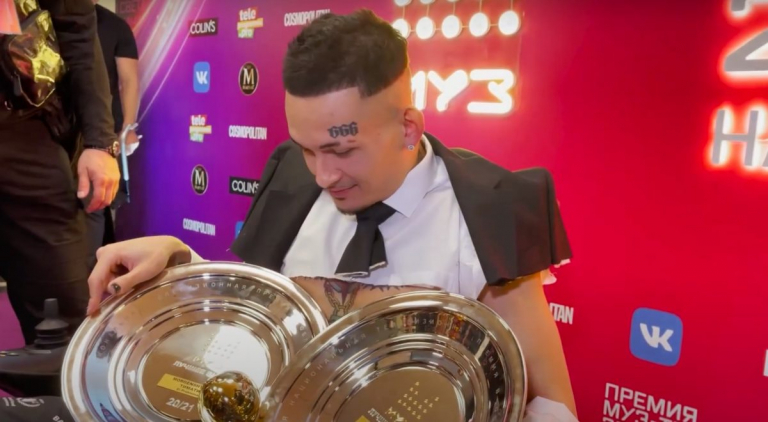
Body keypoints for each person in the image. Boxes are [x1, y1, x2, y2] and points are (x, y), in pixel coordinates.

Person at [0, 9, 577, 422]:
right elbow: (268, 317)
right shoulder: (292, 179)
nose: (323, 175)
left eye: (342, 150)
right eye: (307, 148)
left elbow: (550, 403)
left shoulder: (488, 209)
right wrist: (180, 262)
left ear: (408, 127)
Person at [0, 0, 120, 345]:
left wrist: (100, 143)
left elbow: (78, 33)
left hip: (24, 132)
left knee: (65, 317)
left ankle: (64, 380)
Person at [85, 0, 140, 271]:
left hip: (103, 132)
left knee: (100, 202)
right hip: (58, 129)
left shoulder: (115, 25)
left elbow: (129, 80)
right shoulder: (49, 17)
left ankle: (96, 270)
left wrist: (127, 128)